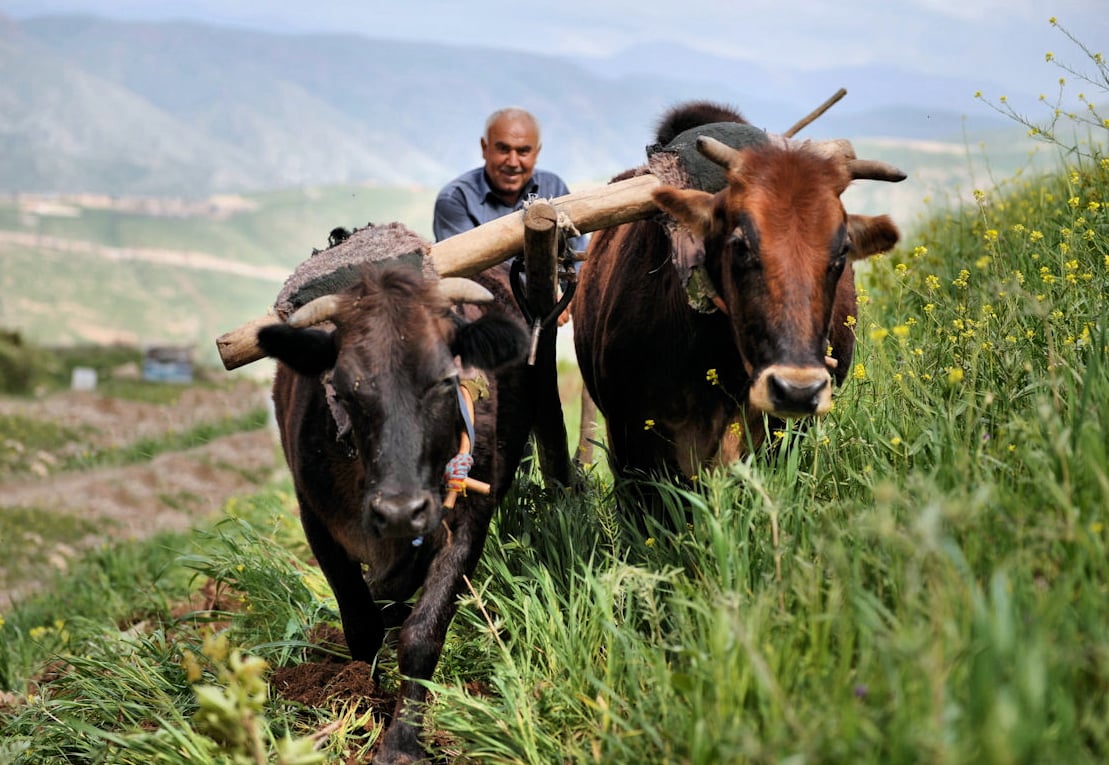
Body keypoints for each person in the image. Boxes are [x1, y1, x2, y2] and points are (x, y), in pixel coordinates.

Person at [432, 107, 588, 254]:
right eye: (503, 149)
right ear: (484, 148)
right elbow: (463, 268)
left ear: (536, 153)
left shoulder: (554, 188)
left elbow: (577, 257)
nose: (513, 162)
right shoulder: (456, 198)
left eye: (523, 151)